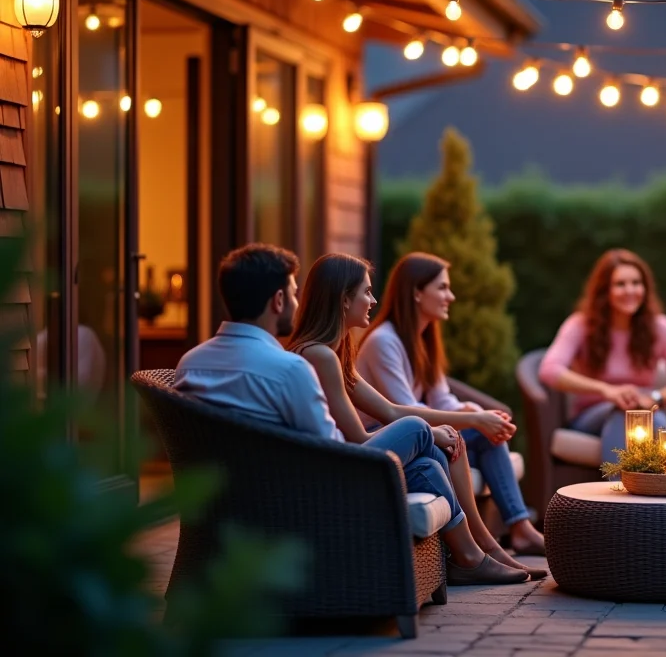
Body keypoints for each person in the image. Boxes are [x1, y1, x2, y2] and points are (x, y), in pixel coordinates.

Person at [175, 244, 527, 586]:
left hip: (236, 492)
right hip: (314, 487)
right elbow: (339, 449)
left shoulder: (189, 363)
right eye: (293, 294)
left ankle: (472, 557)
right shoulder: (291, 367)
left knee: (428, 463)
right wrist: (431, 431)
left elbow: (377, 415)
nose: (297, 304)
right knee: (419, 429)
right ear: (279, 300)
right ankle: (474, 555)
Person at [356, 252, 546, 556]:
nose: (451, 296)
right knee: (480, 429)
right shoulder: (384, 341)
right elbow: (405, 409)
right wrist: (475, 420)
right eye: (443, 288)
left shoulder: (423, 338)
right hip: (391, 435)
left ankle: (520, 527)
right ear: (417, 292)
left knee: (488, 431)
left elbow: (442, 399)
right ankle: (495, 538)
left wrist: (477, 413)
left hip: (416, 428)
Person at [538, 249, 666, 466]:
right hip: (591, 416)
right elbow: (549, 370)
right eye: (620, 284)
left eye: (636, 283)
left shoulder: (661, 328)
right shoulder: (580, 325)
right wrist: (607, 391)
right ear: (605, 291)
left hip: (642, 410)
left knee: (646, 417)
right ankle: (617, 492)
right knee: (625, 413)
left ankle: (660, 493)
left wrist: (655, 398)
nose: (630, 290)